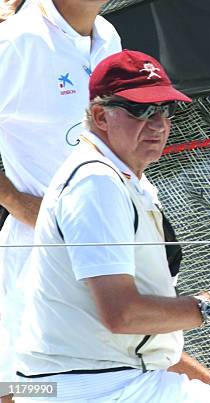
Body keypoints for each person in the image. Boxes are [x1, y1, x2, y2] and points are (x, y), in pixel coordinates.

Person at [14, 50, 210, 402]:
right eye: (141, 110)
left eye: (165, 110)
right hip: (94, 389)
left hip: (103, 382)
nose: (158, 123)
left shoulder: (124, 180)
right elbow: (123, 314)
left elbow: (137, 340)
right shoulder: (95, 184)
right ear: (100, 116)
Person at [0, 1, 121, 399]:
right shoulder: (16, 40)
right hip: (37, 253)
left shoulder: (108, 36)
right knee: (23, 389)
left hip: (108, 241)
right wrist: (19, 203)